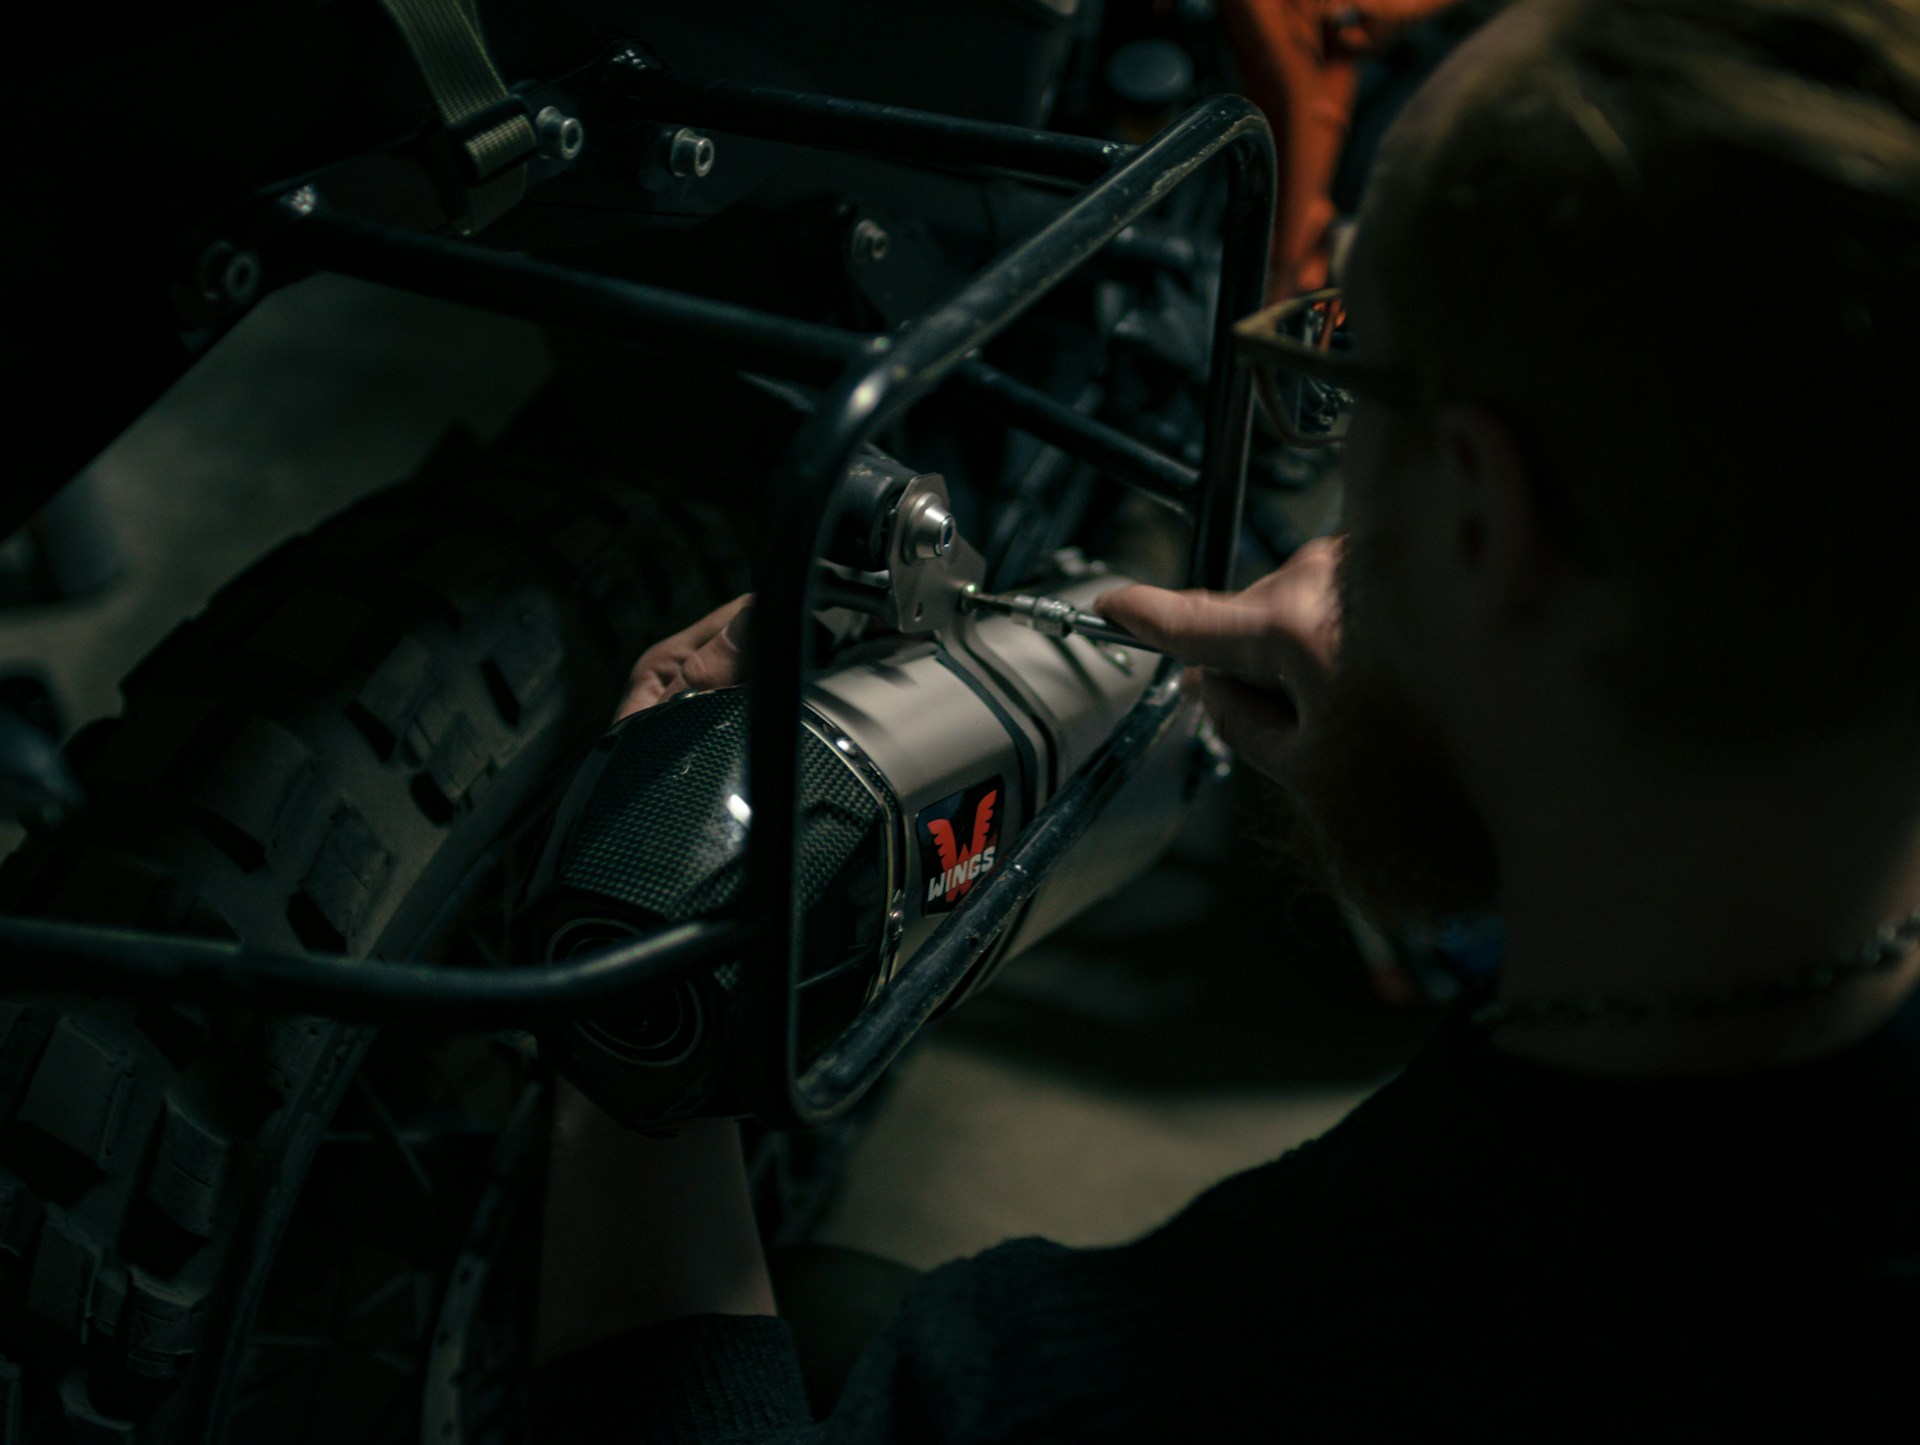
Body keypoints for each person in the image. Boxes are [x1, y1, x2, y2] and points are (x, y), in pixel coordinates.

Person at [532, 0, 1920, 1436]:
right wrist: (1478, 740)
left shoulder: (1111, 1380)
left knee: (813, 1323)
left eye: (1349, 375)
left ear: (1480, 512)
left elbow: (665, 1364)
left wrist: (642, 1019)